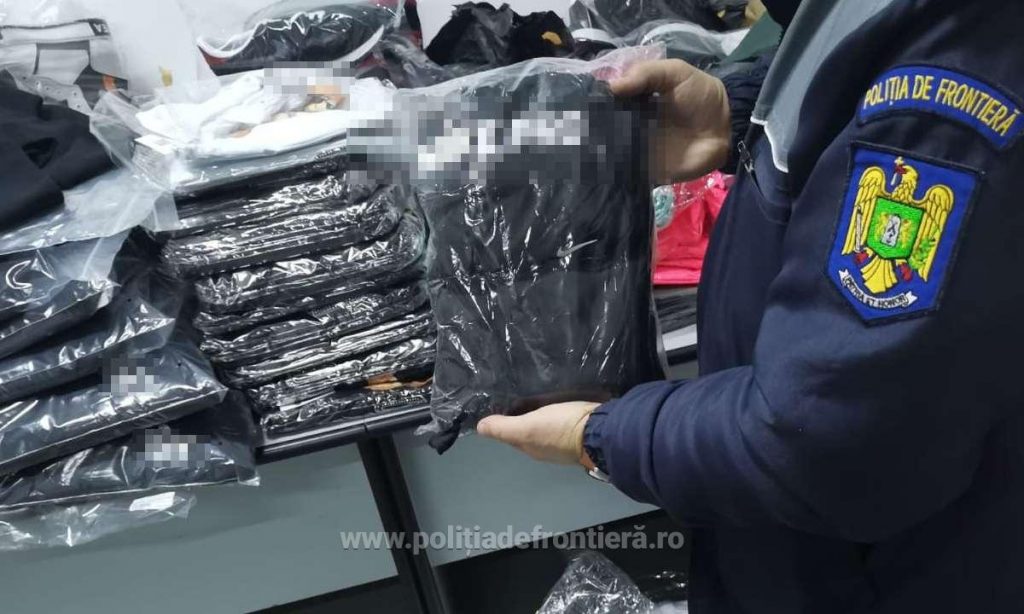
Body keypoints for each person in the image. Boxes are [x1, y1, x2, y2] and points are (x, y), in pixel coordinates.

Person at [477, 0, 1024, 612]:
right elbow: (861, 58)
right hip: (798, 546)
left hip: (884, 573)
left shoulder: (959, 73)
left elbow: (829, 442)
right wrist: (734, 110)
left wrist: (601, 437)